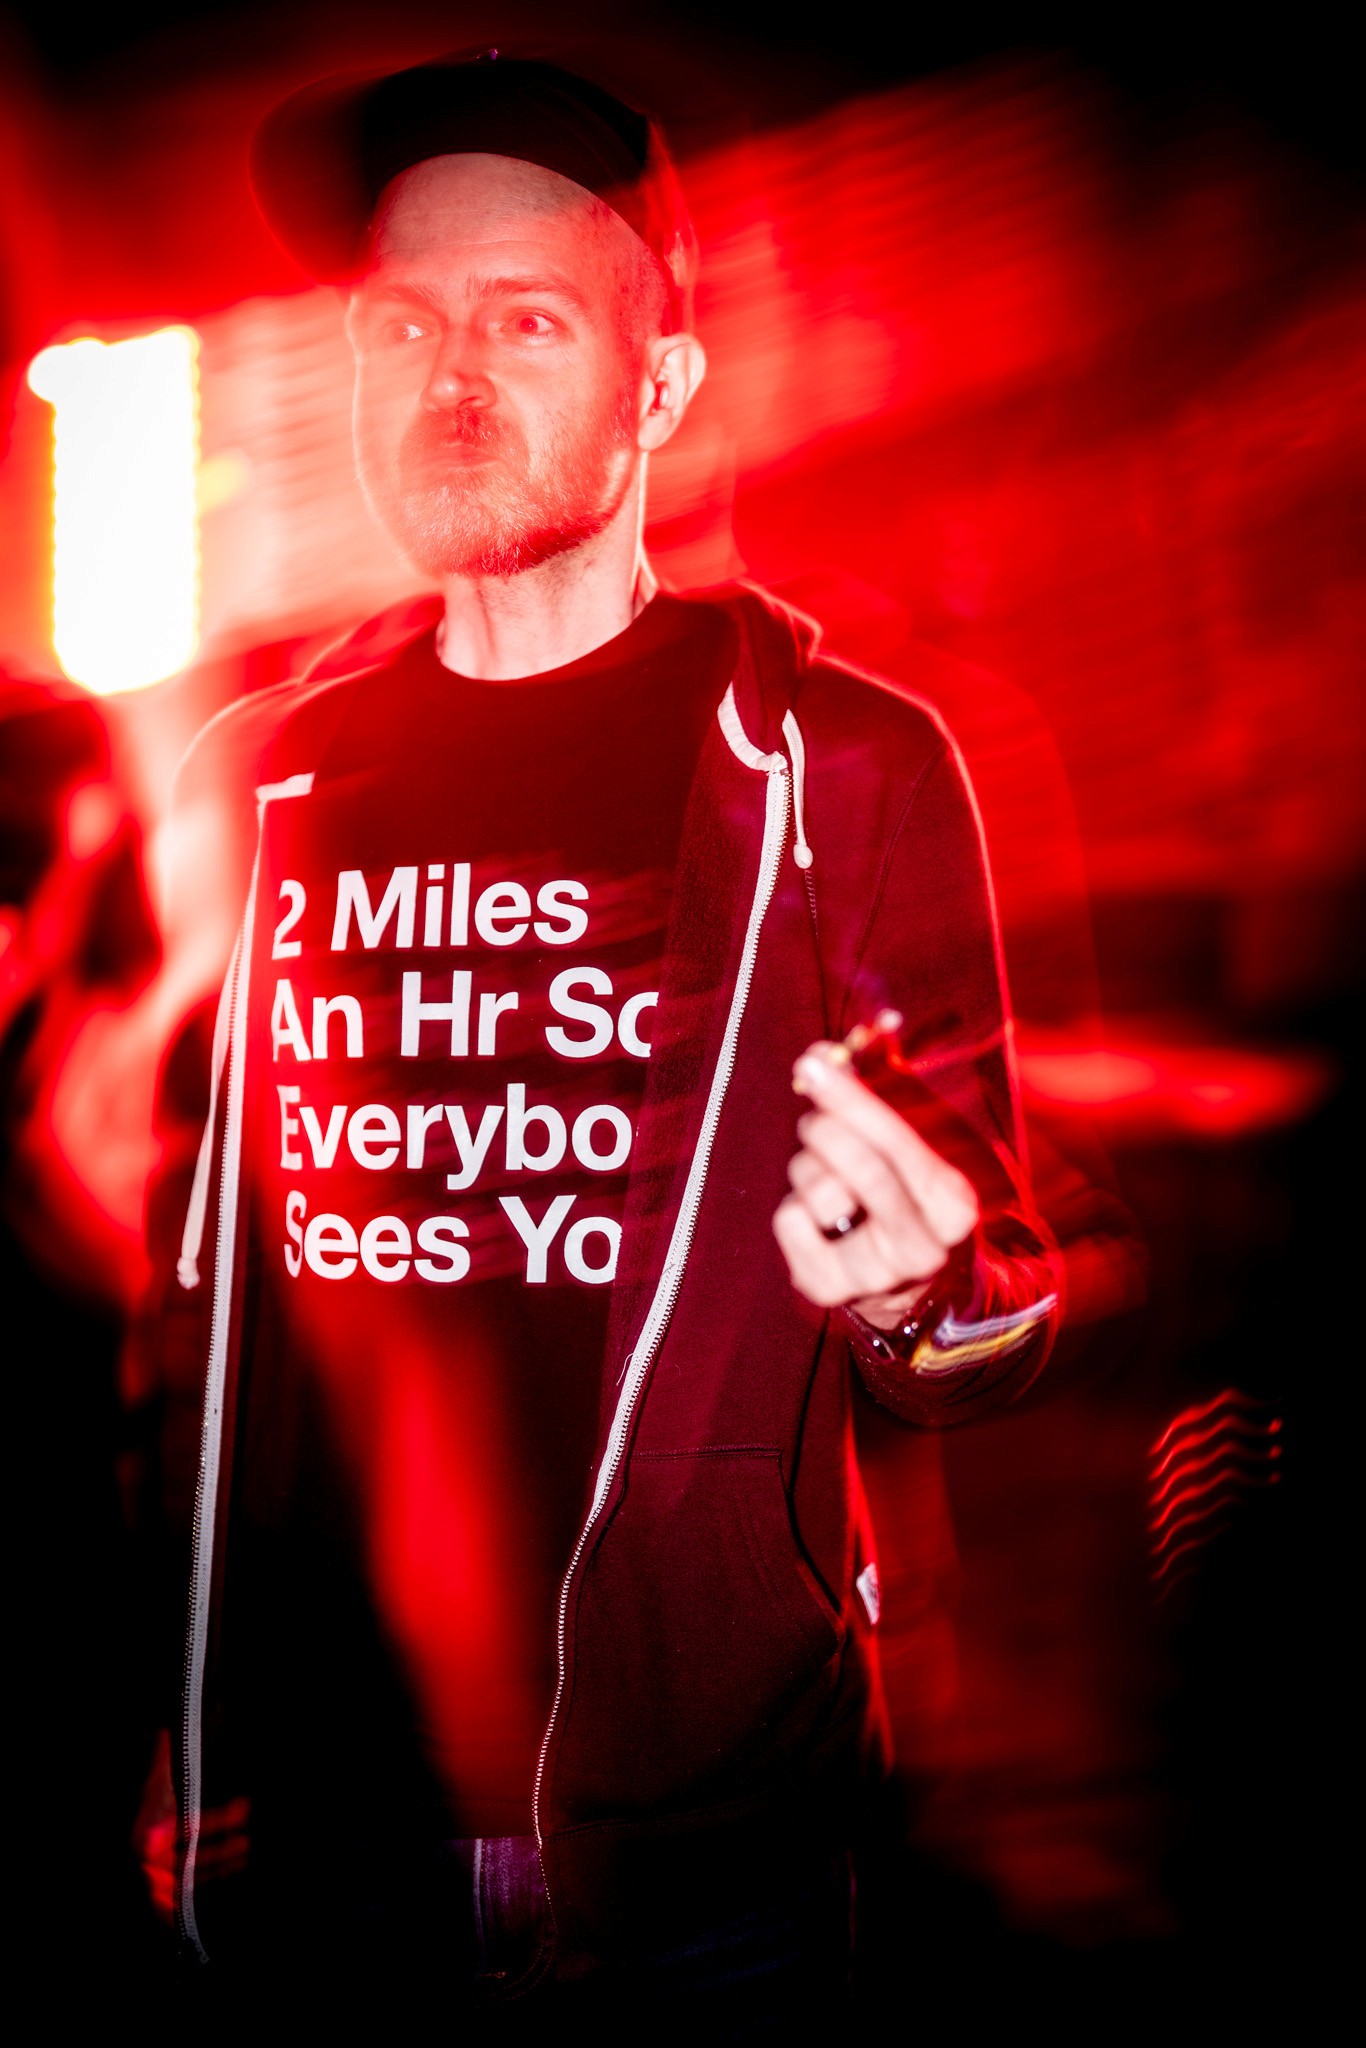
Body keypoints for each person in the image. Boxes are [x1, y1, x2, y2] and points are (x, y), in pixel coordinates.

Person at [153, 48, 1062, 2020]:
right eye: (403, 324)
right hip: (316, 1847)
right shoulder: (252, 789)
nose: (448, 376)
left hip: (708, 1866)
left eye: (527, 318)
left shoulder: (841, 771)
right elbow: (198, 1312)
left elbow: (994, 1307)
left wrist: (923, 1297)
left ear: (659, 385)